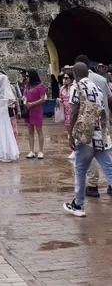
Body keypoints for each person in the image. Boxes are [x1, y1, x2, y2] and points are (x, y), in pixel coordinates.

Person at [63, 61, 112, 217]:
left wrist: (71, 135)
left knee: (80, 169)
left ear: (75, 75)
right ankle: (78, 203)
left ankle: (78, 204)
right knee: (108, 167)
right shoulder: (96, 88)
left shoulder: (76, 88)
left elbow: (73, 112)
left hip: (86, 135)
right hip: (100, 133)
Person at [75, 54, 112, 198]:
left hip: (86, 126)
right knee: (105, 156)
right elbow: (109, 98)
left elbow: (74, 109)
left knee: (86, 159)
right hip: (102, 123)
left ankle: (92, 185)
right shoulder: (101, 80)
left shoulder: (78, 84)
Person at [23, 69, 46, 159]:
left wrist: (32, 104)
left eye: (28, 76)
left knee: (39, 130)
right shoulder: (27, 86)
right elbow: (24, 96)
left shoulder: (40, 86)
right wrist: (25, 102)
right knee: (30, 131)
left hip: (36, 109)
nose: (26, 78)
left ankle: (40, 151)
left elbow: (42, 99)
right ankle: (31, 150)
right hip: (29, 109)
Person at [57, 69, 75, 159]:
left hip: (73, 111)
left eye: (66, 78)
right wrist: (59, 101)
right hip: (65, 111)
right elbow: (60, 97)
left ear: (71, 79)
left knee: (74, 130)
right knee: (69, 131)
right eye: (64, 78)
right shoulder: (62, 88)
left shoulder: (74, 88)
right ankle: (73, 149)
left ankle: (76, 149)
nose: (64, 80)